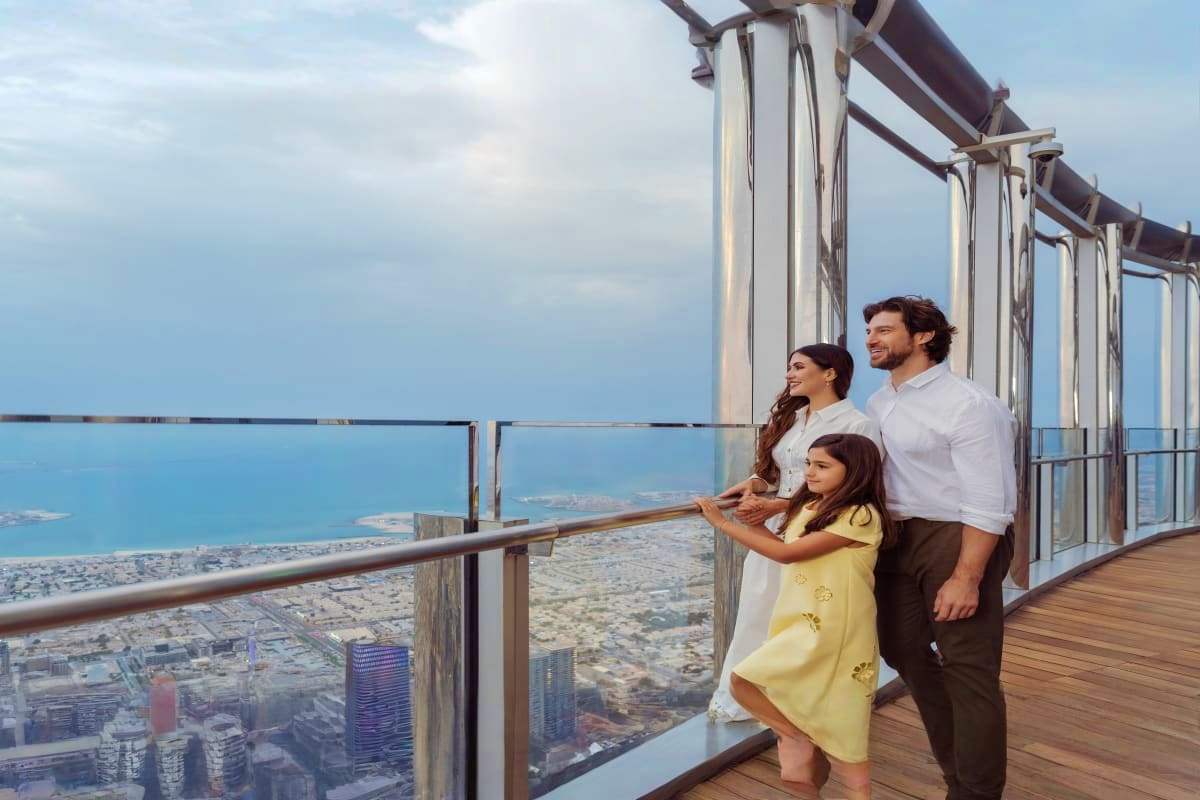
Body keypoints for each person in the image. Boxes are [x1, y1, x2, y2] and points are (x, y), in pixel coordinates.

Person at [862, 296, 1016, 800]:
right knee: (900, 647)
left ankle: (975, 790)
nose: (871, 339)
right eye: (870, 331)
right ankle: (958, 767)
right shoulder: (879, 402)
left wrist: (967, 576)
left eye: (884, 330)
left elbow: (990, 499)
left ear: (924, 336)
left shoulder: (969, 404)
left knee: (969, 668)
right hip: (896, 538)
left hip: (957, 535)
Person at [695, 433, 896, 799]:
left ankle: (803, 745)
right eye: (808, 464)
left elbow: (789, 555)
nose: (810, 472)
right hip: (802, 622)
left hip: (837, 628)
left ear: (855, 471)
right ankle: (797, 737)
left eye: (822, 466)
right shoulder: (813, 506)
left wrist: (723, 523)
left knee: (846, 733)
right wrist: (753, 521)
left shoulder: (860, 515)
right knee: (743, 680)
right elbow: (783, 549)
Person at [708, 344, 881, 723]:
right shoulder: (794, 419)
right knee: (758, 610)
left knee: (803, 617)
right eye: (790, 367)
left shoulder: (857, 425)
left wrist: (777, 506)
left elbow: (857, 488)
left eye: (799, 367)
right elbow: (778, 473)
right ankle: (749, 702)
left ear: (830, 373)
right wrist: (754, 483)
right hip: (776, 526)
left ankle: (801, 707)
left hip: (820, 529)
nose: (789, 374)